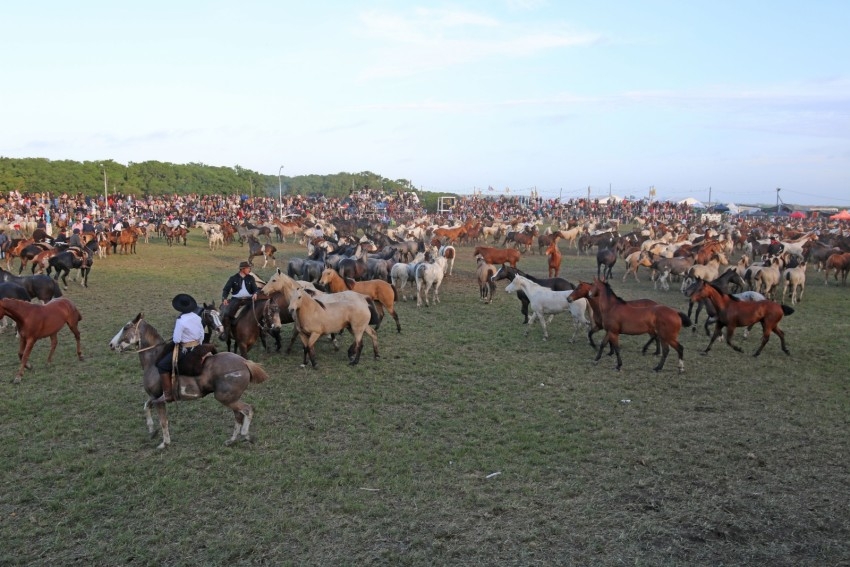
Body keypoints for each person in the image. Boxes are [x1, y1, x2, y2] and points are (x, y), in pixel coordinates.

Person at [152, 294, 204, 404]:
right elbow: (201, 334)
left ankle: (168, 394)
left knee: (162, 365)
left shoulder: (181, 321)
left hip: (185, 350)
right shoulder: (198, 317)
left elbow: (176, 339)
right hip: (198, 347)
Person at [220, 261, 259, 341]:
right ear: (242, 269)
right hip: (236, 300)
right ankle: (226, 333)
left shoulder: (251, 278)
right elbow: (226, 289)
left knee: (261, 311)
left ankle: (262, 331)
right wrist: (224, 298)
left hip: (249, 299)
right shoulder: (233, 278)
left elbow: (255, 289)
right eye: (248, 268)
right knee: (226, 314)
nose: (249, 270)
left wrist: (255, 293)